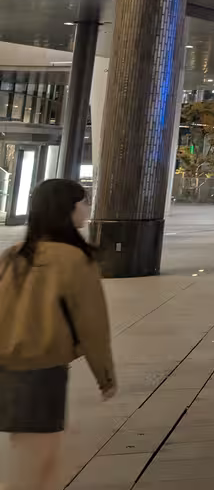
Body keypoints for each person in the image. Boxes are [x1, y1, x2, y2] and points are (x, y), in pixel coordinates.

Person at [0, 179, 116, 490]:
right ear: (68, 209)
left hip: (6, 368)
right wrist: (105, 375)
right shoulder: (76, 260)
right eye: (84, 202)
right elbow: (93, 326)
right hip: (41, 369)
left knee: (26, 449)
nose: (88, 209)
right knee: (38, 457)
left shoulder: (12, 255)